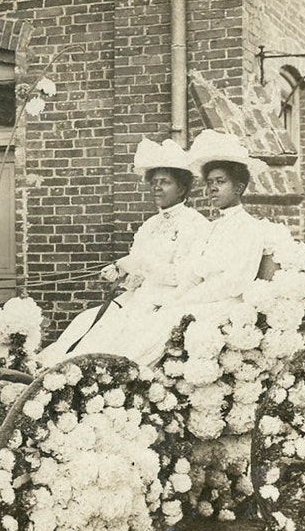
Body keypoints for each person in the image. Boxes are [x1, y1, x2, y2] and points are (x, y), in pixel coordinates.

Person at [61, 129, 270, 368]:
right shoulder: (215, 227)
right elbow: (192, 274)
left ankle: (120, 372)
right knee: (110, 322)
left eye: (220, 182)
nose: (212, 188)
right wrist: (177, 294)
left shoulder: (247, 228)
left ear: (239, 188)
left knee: (155, 324)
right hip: (194, 297)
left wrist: (182, 299)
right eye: (210, 183)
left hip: (223, 303)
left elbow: (233, 283)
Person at [38, 137, 210, 366]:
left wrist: (143, 267)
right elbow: (136, 262)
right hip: (138, 298)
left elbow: (183, 276)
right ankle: (51, 371)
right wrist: (119, 270)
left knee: (113, 335)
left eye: (165, 182)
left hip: (167, 303)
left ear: (182, 189)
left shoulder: (194, 224)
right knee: (85, 320)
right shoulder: (150, 224)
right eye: (154, 181)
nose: (157, 187)